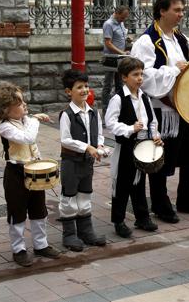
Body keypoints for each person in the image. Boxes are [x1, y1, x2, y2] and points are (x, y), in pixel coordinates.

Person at [131, 0, 189, 223]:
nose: (181, 14)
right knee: (161, 158)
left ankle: (185, 196)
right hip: (161, 109)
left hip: (184, 107)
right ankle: (160, 201)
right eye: (177, 10)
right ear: (162, 10)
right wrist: (175, 69)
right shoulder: (146, 41)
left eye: (182, 10)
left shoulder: (182, 40)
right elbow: (144, 77)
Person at [0, 84, 61, 267]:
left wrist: (31, 118)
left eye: (23, 101)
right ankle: (18, 249)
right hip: (16, 173)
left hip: (34, 170)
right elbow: (27, 138)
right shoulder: (5, 127)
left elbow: (28, 131)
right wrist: (35, 120)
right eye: (19, 103)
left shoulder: (25, 119)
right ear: (6, 110)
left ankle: (40, 244)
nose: (25, 105)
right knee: (17, 213)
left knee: (39, 210)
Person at [105, 57, 161, 238]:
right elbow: (110, 122)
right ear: (124, 77)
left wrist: (155, 135)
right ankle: (118, 221)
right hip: (127, 147)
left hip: (142, 144)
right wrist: (130, 128)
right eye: (135, 75)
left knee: (139, 182)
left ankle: (142, 217)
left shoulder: (144, 96)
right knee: (122, 184)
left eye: (141, 74)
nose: (139, 78)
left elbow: (152, 119)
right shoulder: (118, 98)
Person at [59, 69, 107, 251]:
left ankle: (86, 232)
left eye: (86, 86)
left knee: (85, 194)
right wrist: (87, 147)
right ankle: (69, 234)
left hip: (87, 163)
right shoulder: (67, 114)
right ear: (68, 92)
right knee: (69, 196)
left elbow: (99, 135)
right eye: (79, 87)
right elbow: (65, 140)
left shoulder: (94, 112)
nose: (84, 90)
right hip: (71, 163)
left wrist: (100, 148)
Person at [102, 6, 131, 109]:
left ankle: (119, 110)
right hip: (111, 58)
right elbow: (108, 43)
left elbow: (119, 37)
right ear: (117, 13)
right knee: (108, 86)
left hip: (120, 58)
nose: (123, 20)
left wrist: (127, 39)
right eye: (122, 17)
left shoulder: (120, 23)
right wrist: (122, 52)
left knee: (119, 84)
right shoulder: (108, 24)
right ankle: (105, 110)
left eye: (125, 18)